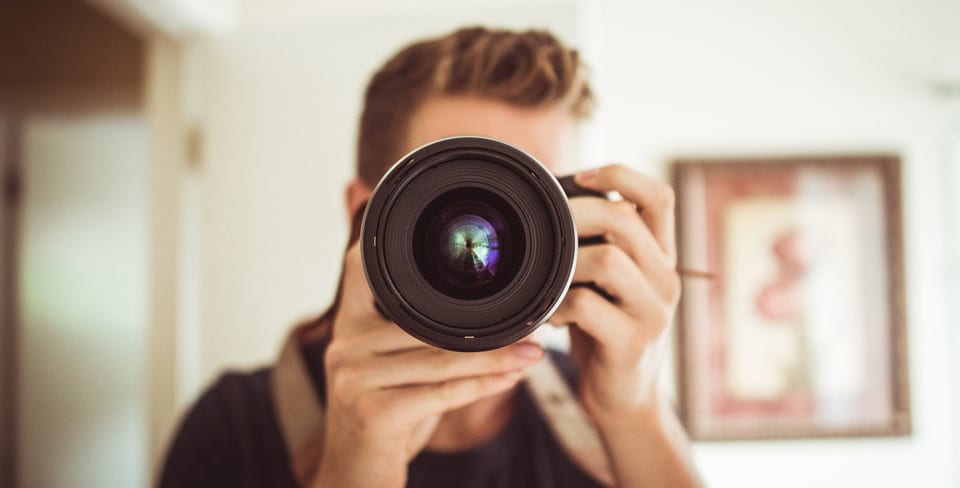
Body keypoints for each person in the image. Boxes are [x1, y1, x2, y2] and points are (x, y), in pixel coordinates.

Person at [159, 26, 702, 488]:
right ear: (363, 215)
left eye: (538, 199)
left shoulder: (614, 406)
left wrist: (634, 412)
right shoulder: (235, 427)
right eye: (455, 189)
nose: (504, 237)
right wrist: (356, 457)